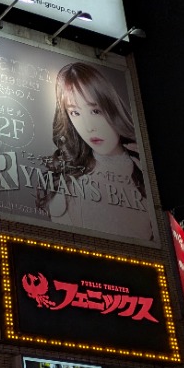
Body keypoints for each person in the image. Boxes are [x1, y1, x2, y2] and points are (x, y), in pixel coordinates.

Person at [37, 61, 154, 242]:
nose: (89, 128)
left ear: (112, 106)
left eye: (95, 111)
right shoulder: (66, 181)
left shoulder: (144, 170)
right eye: (75, 113)